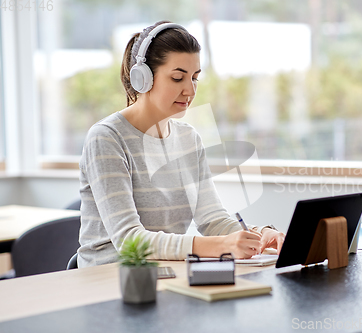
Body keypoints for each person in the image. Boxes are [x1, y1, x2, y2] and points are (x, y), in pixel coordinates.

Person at [77, 21, 285, 267]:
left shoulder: (188, 138)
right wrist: (221, 246)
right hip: (109, 277)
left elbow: (211, 219)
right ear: (142, 78)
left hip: (166, 270)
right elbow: (129, 240)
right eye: (177, 78)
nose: (190, 90)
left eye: (195, 78)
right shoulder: (107, 137)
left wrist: (258, 236)